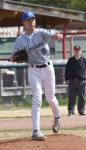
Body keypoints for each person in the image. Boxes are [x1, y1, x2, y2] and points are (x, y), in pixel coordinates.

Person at [10, 11, 63, 141]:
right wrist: (14, 57)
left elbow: (53, 35)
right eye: (28, 20)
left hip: (47, 68)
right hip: (33, 70)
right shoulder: (20, 40)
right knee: (37, 98)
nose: (31, 22)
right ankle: (36, 131)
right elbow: (12, 57)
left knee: (50, 98)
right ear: (24, 23)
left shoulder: (41, 32)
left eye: (33, 19)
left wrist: (57, 36)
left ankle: (57, 118)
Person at [65, 45, 86, 116]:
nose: (77, 51)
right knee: (71, 97)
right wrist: (66, 79)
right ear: (73, 51)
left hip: (82, 81)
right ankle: (71, 111)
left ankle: (81, 110)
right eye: (75, 50)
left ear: (81, 51)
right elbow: (67, 70)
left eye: (78, 50)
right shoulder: (70, 60)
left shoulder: (84, 60)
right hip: (72, 81)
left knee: (82, 97)